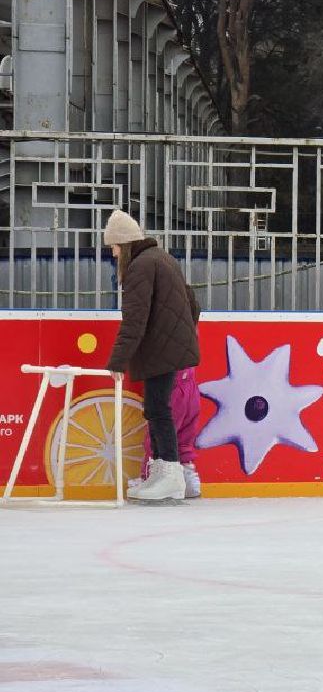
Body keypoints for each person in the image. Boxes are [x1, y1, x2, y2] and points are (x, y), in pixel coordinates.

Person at [103, 209, 201, 503]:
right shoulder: (163, 258)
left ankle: (170, 474)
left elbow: (134, 319)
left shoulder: (140, 268)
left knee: (159, 410)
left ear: (125, 244)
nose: (113, 254)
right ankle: (163, 471)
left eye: (114, 247)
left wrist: (118, 361)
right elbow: (192, 301)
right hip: (170, 346)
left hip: (161, 348)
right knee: (157, 408)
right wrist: (182, 334)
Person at [130, 367, 203, 499]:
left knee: (160, 431)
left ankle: (149, 477)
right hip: (190, 383)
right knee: (184, 435)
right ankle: (188, 477)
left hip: (170, 382)